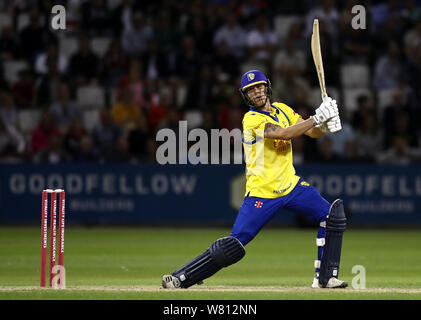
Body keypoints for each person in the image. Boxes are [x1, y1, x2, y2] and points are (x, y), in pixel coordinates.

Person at [162, 70, 347, 289]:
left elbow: (312, 134)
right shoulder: (251, 119)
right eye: (251, 90)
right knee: (234, 244)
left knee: (331, 217)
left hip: (291, 185)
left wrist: (325, 124)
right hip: (262, 191)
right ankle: (183, 277)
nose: (257, 92)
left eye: (259, 87)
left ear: (267, 87)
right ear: (245, 96)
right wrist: (315, 118)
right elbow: (284, 134)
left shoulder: (283, 109)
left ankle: (325, 278)